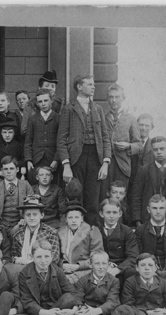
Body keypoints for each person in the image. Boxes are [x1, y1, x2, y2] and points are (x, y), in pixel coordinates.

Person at [6, 240, 84, 315]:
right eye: (39, 257)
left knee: (67, 298)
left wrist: (73, 311)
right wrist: (46, 313)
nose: (43, 261)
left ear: (52, 257)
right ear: (32, 257)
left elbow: (72, 293)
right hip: (36, 314)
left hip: (56, 313)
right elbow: (26, 300)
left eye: (46, 256)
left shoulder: (57, 271)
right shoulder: (25, 273)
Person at [56, 75, 111, 215]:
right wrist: (66, 165)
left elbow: (105, 138)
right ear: (79, 87)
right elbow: (61, 139)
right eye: (89, 84)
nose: (93, 87)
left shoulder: (98, 109)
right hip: (76, 158)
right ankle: (75, 233)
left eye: (93, 84)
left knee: (93, 199)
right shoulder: (68, 109)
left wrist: (105, 163)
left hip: (95, 158)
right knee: (75, 196)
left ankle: (91, 233)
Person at [130, 136, 166, 232]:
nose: (159, 152)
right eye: (155, 149)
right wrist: (138, 222)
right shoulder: (143, 171)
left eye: (162, 149)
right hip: (148, 222)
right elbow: (136, 198)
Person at [100, 84, 141, 203]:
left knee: (121, 199)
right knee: (105, 197)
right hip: (105, 165)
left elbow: (139, 145)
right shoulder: (102, 117)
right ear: (107, 99)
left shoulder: (131, 119)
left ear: (123, 98)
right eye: (110, 97)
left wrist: (128, 146)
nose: (113, 100)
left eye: (117, 97)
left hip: (123, 166)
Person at [56, 201, 104, 284]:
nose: (73, 221)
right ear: (66, 219)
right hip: (64, 270)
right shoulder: (60, 232)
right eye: (70, 218)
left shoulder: (92, 231)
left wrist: (79, 266)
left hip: (85, 270)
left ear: (82, 218)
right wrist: (63, 264)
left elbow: (97, 256)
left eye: (77, 217)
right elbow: (56, 255)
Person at [95, 199, 139, 287]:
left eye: (115, 212)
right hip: (102, 265)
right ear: (101, 214)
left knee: (132, 273)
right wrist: (106, 266)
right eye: (108, 212)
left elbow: (133, 256)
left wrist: (118, 269)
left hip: (122, 266)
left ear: (120, 214)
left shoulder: (127, 231)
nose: (111, 216)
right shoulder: (96, 231)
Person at [11, 195, 61, 269]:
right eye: (28, 215)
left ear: (42, 215)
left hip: (43, 270)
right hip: (21, 270)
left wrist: (31, 262)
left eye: (35, 214)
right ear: (24, 217)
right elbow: (13, 256)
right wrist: (17, 260)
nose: (31, 218)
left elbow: (55, 259)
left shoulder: (51, 233)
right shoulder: (18, 234)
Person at [0, 156, 34, 235]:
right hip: (0, 226)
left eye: (11, 168)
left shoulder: (25, 185)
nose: (9, 172)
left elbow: (32, 206)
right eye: (5, 169)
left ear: (17, 169)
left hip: (21, 224)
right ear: (2, 171)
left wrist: (25, 218)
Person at [24, 88, 60, 185]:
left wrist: (56, 159)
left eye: (46, 101)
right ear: (37, 103)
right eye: (40, 101)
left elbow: (61, 142)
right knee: (36, 185)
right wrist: (29, 160)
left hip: (52, 160)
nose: (43, 104)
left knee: (53, 185)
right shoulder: (33, 119)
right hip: (37, 159)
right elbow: (28, 142)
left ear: (51, 101)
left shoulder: (58, 118)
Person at [21, 70, 65, 137]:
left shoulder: (60, 104)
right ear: (39, 87)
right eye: (47, 85)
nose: (50, 88)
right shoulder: (30, 105)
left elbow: (63, 129)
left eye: (53, 86)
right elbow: (24, 130)